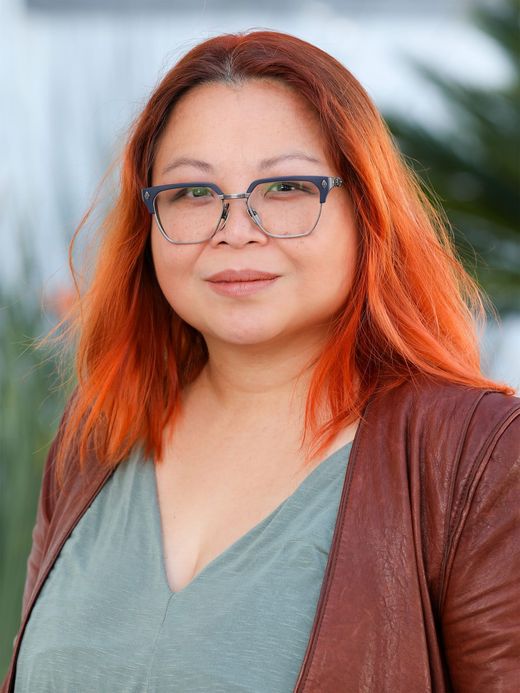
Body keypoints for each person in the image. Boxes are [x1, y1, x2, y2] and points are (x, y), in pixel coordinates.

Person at [3, 29, 519, 693]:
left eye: (285, 187)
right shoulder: (93, 442)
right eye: (192, 193)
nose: (236, 229)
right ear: (148, 225)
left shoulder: (478, 456)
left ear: (366, 210)